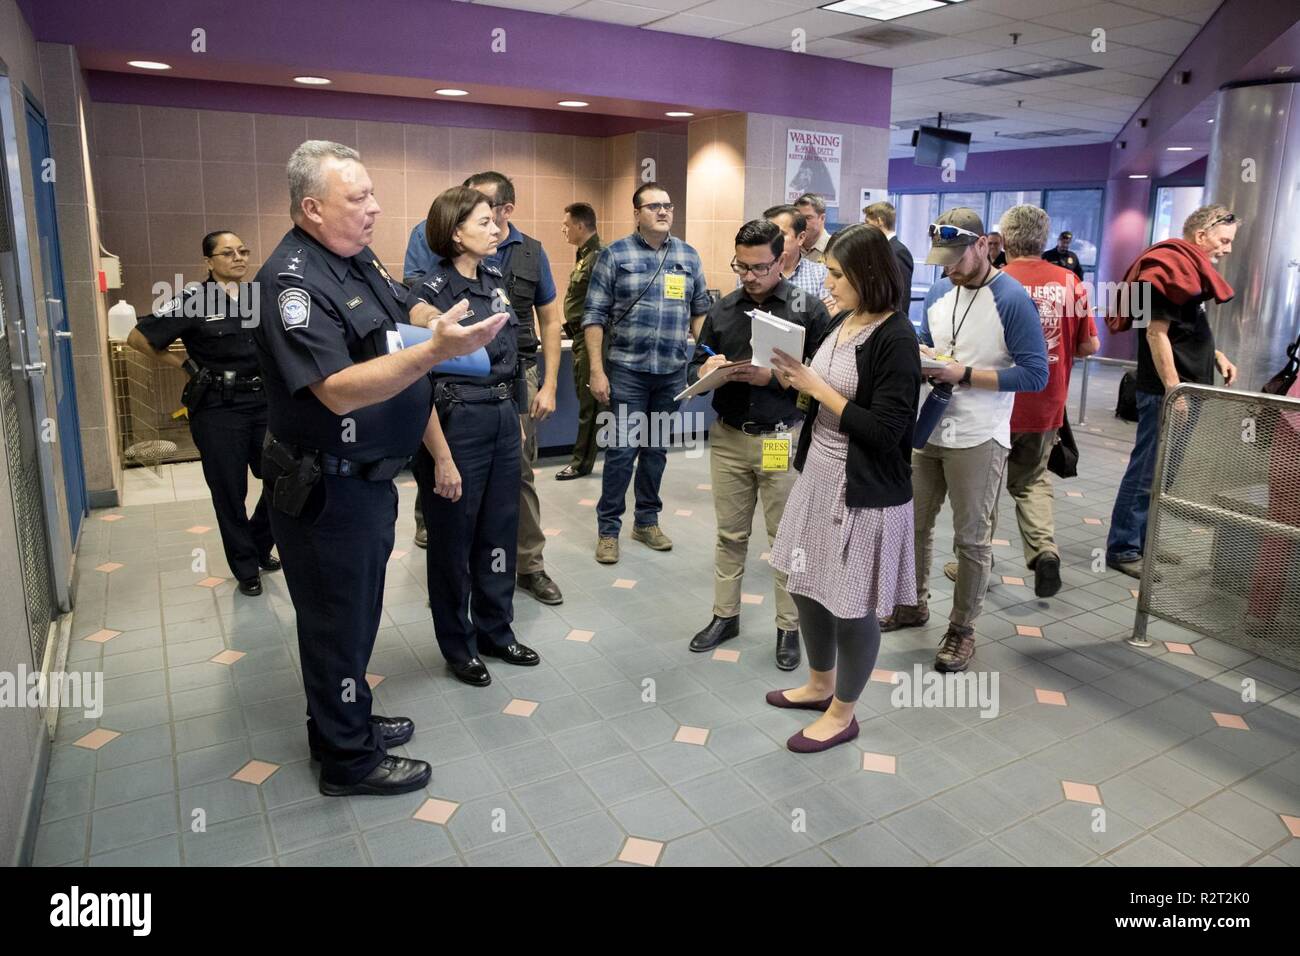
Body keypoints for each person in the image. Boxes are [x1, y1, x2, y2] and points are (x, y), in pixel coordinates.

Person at [253, 141, 506, 796]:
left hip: (364, 481)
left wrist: (435, 323)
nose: (375, 207)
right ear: (312, 208)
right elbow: (335, 388)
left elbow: (400, 305)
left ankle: (346, 716)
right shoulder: (291, 283)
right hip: (324, 488)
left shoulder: (352, 257)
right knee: (337, 623)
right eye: (358, 197)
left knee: (356, 617)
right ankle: (348, 760)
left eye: (371, 193)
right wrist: (434, 356)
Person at [766, 224, 921, 753]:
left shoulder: (896, 336)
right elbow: (826, 394)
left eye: (836, 275)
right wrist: (797, 382)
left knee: (851, 606)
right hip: (820, 476)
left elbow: (887, 432)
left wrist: (817, 389)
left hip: (864, 491)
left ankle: (844, 712)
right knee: (805, 585)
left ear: (868, 275)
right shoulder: (845, 320)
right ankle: (819, 682)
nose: (826, 284)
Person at [883, 208, 1048, 673]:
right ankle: (911, 603)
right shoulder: (939, 290)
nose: (949, 268)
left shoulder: (1012, 299)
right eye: (943, 260)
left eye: (957, 258)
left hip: (979, 434)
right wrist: (922, 356)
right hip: (929, 424)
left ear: (985, 244)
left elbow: (1035, 374)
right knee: (912, 523)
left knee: (971, 540)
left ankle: (961, 629)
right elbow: (927, 339)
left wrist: (965, 374)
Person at [406, 172, 564, 605]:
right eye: (482, 221)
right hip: (456, 417)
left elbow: (517, 350)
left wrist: (522, 406)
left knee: (503, 515)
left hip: (502, 410)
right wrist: (441, 456)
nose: (494, 227)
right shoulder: (433, 287)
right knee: (456, 522)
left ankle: (499, 620)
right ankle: (458, 634)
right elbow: (418, 324)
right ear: (456, 232)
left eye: (494, 218)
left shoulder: (496, 280)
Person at [686, 220, 832, 669]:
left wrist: (777, 379)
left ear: (781, 260)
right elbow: (695, 366)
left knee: (785, 540)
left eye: (759, 268)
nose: (748, 276)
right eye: (741, 266)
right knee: (730, 534)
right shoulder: (723, 308)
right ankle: (724, 615)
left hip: (781, 437)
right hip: (729, 436)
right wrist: (708, 370)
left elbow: (825, 383)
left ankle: (789, 627)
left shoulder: (807, 310)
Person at [942, 205, 1099, 597]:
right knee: (1031, 481)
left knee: (985, 489)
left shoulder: (990, 282)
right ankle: (1044, 551)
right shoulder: (1072, 282)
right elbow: (1089, 344)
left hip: (994, 403)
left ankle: (973, 562)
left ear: (1003, 241)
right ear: (1045, 240)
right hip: (1047, 403)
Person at [129, 230, 277, 597]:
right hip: (217, 407)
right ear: (209, 262)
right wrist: (185, 365)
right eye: (227, 253)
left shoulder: (260, 297)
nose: (238, 258)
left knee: (282, 478)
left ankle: (259, 543)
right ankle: (246, 567)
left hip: (263, 403)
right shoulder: (193, 299)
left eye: (243, 251)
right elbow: (139, 337)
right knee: (229, 490)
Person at [1105, 204, 1239, 577]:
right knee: (1147, 468)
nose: (1226, 249)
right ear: (1201, 236)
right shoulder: (1164, 270)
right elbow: (1155, 333)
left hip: (1183, 388)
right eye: (1224, 241)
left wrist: (1215, 355)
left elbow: (1185, 329)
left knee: (1163, 471)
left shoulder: (1185, 270)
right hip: (1166, 392)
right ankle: (1123, 548)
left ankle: (1143, 541)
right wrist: (1172, 389)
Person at [582, 181, 711, 564]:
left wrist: (705, 358)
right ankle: (608, 530)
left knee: (655, 452)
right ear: (636, 213)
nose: (662, 211)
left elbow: (699, 310)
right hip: (627, 372)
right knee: (621, 452)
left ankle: (647, 521)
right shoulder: (614, 255)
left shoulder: (688, 256)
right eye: (653, 206)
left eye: (667, 205)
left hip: (670, 373)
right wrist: (596, 370)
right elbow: (593, 316)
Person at [556, 201, 604, 481]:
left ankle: (581, 462)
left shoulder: (599, 256)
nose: (563, 229)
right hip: (578, 336)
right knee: (587, 401)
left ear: (580, 225)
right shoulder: (585, 255)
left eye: (566, 224)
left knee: (591, 404)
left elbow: (601, 305)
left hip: (591, 339)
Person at [762, 204, 834, 308]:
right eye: (767, 234)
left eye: (780, 234)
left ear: (800, 238)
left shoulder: (821, 275)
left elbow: (825, 317)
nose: (771, 240)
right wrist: (812, 311)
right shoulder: (751, 273)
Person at [864, 201, 914, 316]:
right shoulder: (881, 248)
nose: (865, 227)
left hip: (890, 324)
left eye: (867, 222)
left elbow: (901, 295)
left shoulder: (898, 252)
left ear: (879, 221)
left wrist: (897, 328)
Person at [795, 193, 830, 263]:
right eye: (799, 218)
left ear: (822, 218)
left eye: (808, 218)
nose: (802, 222)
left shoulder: (836, 248)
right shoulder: (790, 247)